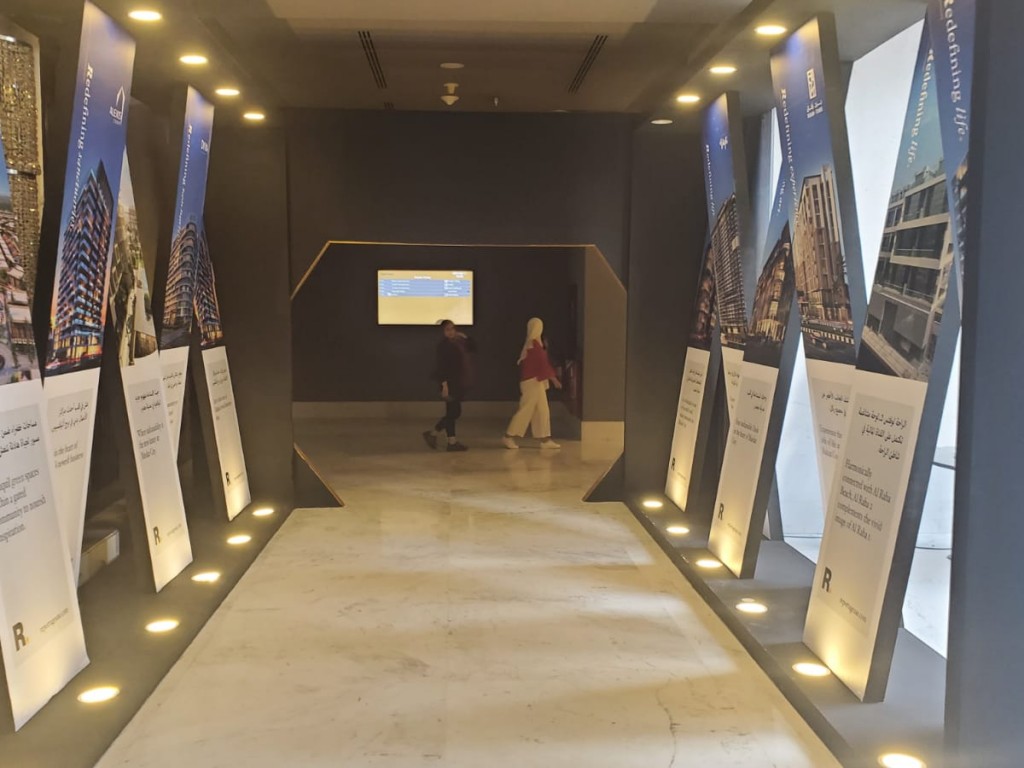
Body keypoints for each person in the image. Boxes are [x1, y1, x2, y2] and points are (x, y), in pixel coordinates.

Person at [503, 317, 561, 450]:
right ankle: (508, 436)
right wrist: (554, 380)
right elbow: (543, 365)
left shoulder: (533, 344)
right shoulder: (534, 345)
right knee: (526, 409)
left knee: (542, 410)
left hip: (535, 382)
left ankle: (545, 439)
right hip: (532, 382)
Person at [423, 320, 475, 452]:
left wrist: (465, 337)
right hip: (450, 383)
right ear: (442, 332)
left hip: (459, 382)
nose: (451, 331)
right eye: (447, 329)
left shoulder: (458, 342)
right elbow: (442, 366)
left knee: (453, 412)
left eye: (452, 328)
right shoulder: (443, 346)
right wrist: (444, 385)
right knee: (453, 412)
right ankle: (448, 440)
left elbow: (473, 348)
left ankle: (437, 435)